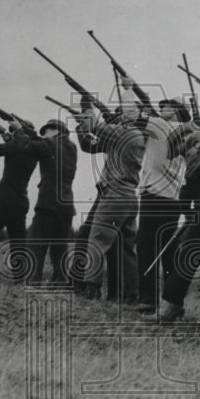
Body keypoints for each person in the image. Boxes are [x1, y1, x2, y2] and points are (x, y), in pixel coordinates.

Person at [70, 80, 147, 302]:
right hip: (127, 196)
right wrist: (83, 124)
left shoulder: (125, 134)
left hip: (114, 194)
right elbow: (89, 146)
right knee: (126, 249)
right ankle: (130, 294)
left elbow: (95, 126)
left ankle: (91, 288)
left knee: (97, 240)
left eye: (121, 113)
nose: (117, 116)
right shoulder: (134, 136)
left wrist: (86, 104)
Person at [159, 129, 200, 322]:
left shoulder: (198, 151)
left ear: (184, 141)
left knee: (185, 260)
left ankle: (169, 309)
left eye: (179, 150)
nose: (181, 155)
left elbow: (188, 188)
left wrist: (188, 213)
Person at [136, 97, 193, 309]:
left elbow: (130, 113)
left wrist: (128, 89)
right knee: (169, 251)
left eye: (166, 106)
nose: (161, 109)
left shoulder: (159, 125)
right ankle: (172, 302)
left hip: (153, 196)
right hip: (174, 198)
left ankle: (148, 301)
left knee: (146, 248)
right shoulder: (188, 133)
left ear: (176, 110)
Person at [0, 120, 39, 281]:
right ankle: (20, 278)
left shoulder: (16, 146)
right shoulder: (34, 148)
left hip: (5, 199)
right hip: (21, 200)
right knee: (18, 241)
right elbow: (17, 146)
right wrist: (6, 135)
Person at [25, 118, 78, 285]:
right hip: (67, 204)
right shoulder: (72, 148)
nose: (44, 135)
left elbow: (28, 148)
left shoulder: (49, 143)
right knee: (59, 248)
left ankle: (33, 281)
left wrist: (21, 131)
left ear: (56, 131)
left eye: (46, 131)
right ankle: (60, 282)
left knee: (35, 243)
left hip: (48, 202)